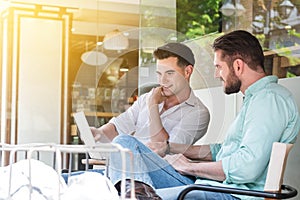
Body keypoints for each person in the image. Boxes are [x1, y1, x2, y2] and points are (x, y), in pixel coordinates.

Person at [108, 30, 300, 200]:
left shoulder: (269, 100)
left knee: (121, 164)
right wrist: (170, 148)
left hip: (229, 194)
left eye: (219, 67)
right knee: (120, 154)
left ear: (238, 66)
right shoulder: (257, 99)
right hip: (211, 186)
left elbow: (246, 168)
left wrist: (189, 167)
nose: (217, 75)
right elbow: (222, 151)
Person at [91, 42, 210, 151]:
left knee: (124, 141)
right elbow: (118, 128)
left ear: (187, 72)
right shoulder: (146, 98)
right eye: (159, 74)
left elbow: (163, 149)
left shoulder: (198, 113)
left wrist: (153, 106)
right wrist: (97, 133)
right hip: (129, 167)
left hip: (158, 172)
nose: (162, 80)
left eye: (169, 73)